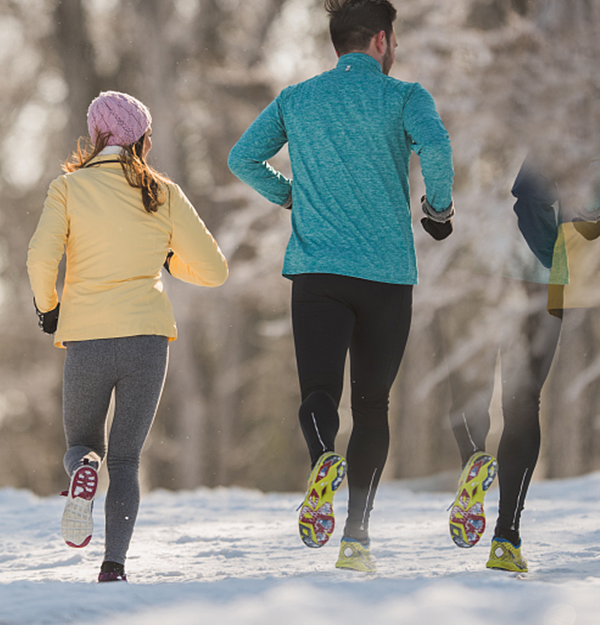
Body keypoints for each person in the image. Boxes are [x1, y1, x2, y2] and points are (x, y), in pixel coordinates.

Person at [227, 0, 454, 572]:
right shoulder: (406, 97)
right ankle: (356, 537)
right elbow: (438, 147)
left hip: (318, 272)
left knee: (318, 395)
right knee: (372, 403)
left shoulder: (296, 99)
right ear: (382, 41)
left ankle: (323, 456)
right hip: (386, 275)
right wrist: (439, 208)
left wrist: (287, 193)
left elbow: (242, 157)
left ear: (338, 45)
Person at [28, 91, 228, 583]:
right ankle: (113, 566)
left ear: (96, 134)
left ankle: (82, 473)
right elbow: (214, 270)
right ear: (143, 138)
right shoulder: (163, 192)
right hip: (146, 339)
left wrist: (49, 309)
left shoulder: (68, 189)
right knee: (126, 458)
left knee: (82, 444)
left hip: (88, 337)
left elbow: (39, 258)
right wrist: (166, 259)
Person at [446, 154, 600, 574]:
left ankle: (472, 460)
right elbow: (580, 215)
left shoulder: (460, 103)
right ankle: (506, 539)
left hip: (468, 268)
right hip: (538, 276)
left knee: (464, 390)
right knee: (522, 404)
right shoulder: (579, 118)